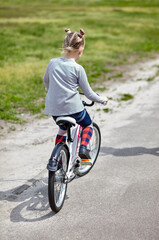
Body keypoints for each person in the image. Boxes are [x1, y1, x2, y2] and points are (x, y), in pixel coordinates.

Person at [43, 28, 108, 161]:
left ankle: (59, 159)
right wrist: (102, 100)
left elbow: (46, 80)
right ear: (80, 51)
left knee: (62, 130)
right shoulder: (78, 68)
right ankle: (83, 148)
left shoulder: (52, 62)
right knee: (87, 125)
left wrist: (52, 92)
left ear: (63, 46)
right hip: (73, 109)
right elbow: (89, 93)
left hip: (54, 109)